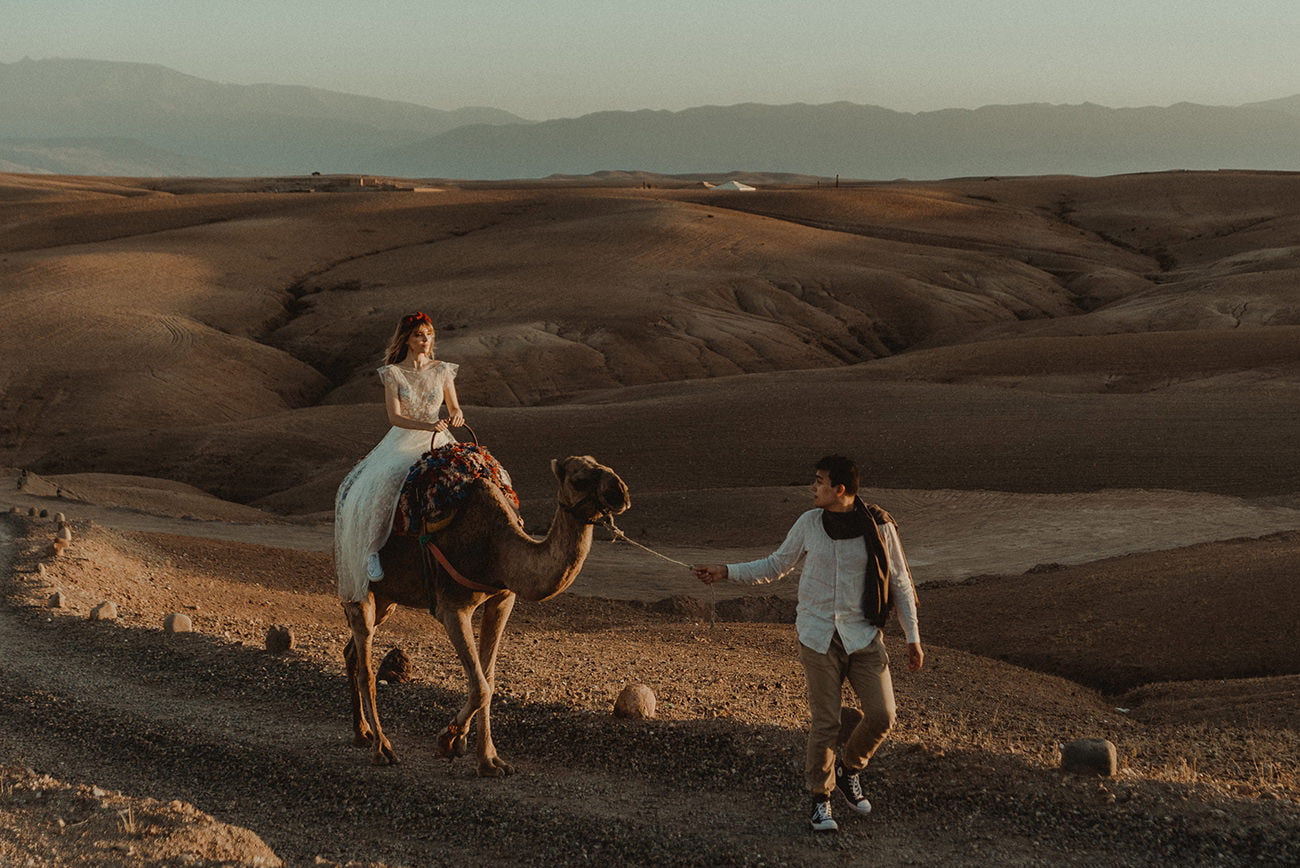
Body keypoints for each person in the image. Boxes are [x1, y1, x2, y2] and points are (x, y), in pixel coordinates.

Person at [693, 454, 922, 833]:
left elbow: (899, 582)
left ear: (840, 489)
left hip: (863, 635)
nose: (813, 488)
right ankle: (821, 799)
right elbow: (775, 565)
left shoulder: (879, 527)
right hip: (817, 636)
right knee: (826, 721)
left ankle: (849, 768)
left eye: (819, 482)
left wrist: (913, 638)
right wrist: (725, 571)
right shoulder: (810, 523)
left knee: (883, 715)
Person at [335, 312, 463, 602]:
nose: (425, 340)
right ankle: (371, 551)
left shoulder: (442, 369)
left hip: (438, 438)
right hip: (404, 440)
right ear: (407, 339)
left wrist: (455, 415)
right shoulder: (393, 373)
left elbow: (454, 407)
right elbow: (395, 417)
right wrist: (427, 425)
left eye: (429, 334)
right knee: (390, 479)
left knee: (471, 475)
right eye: (419, 335)